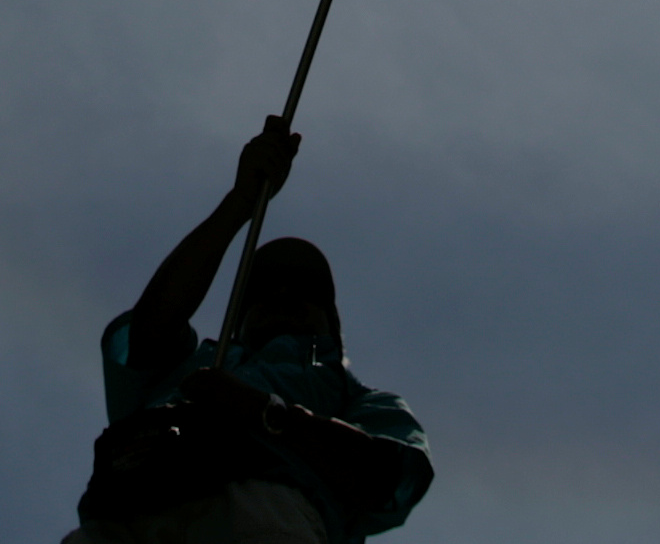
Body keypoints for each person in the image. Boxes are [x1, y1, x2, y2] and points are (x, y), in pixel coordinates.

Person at [66, 118, 433, 543]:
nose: (282, 294)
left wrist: (262, 411)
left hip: (264, 515)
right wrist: (241, 200)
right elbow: (150, 326)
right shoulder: (192, 361)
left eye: (306, 290)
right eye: (261, 290)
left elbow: (388, 478)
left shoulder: (359, 401)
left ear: (333, 324)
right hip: (121, 514)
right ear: (238, 321)